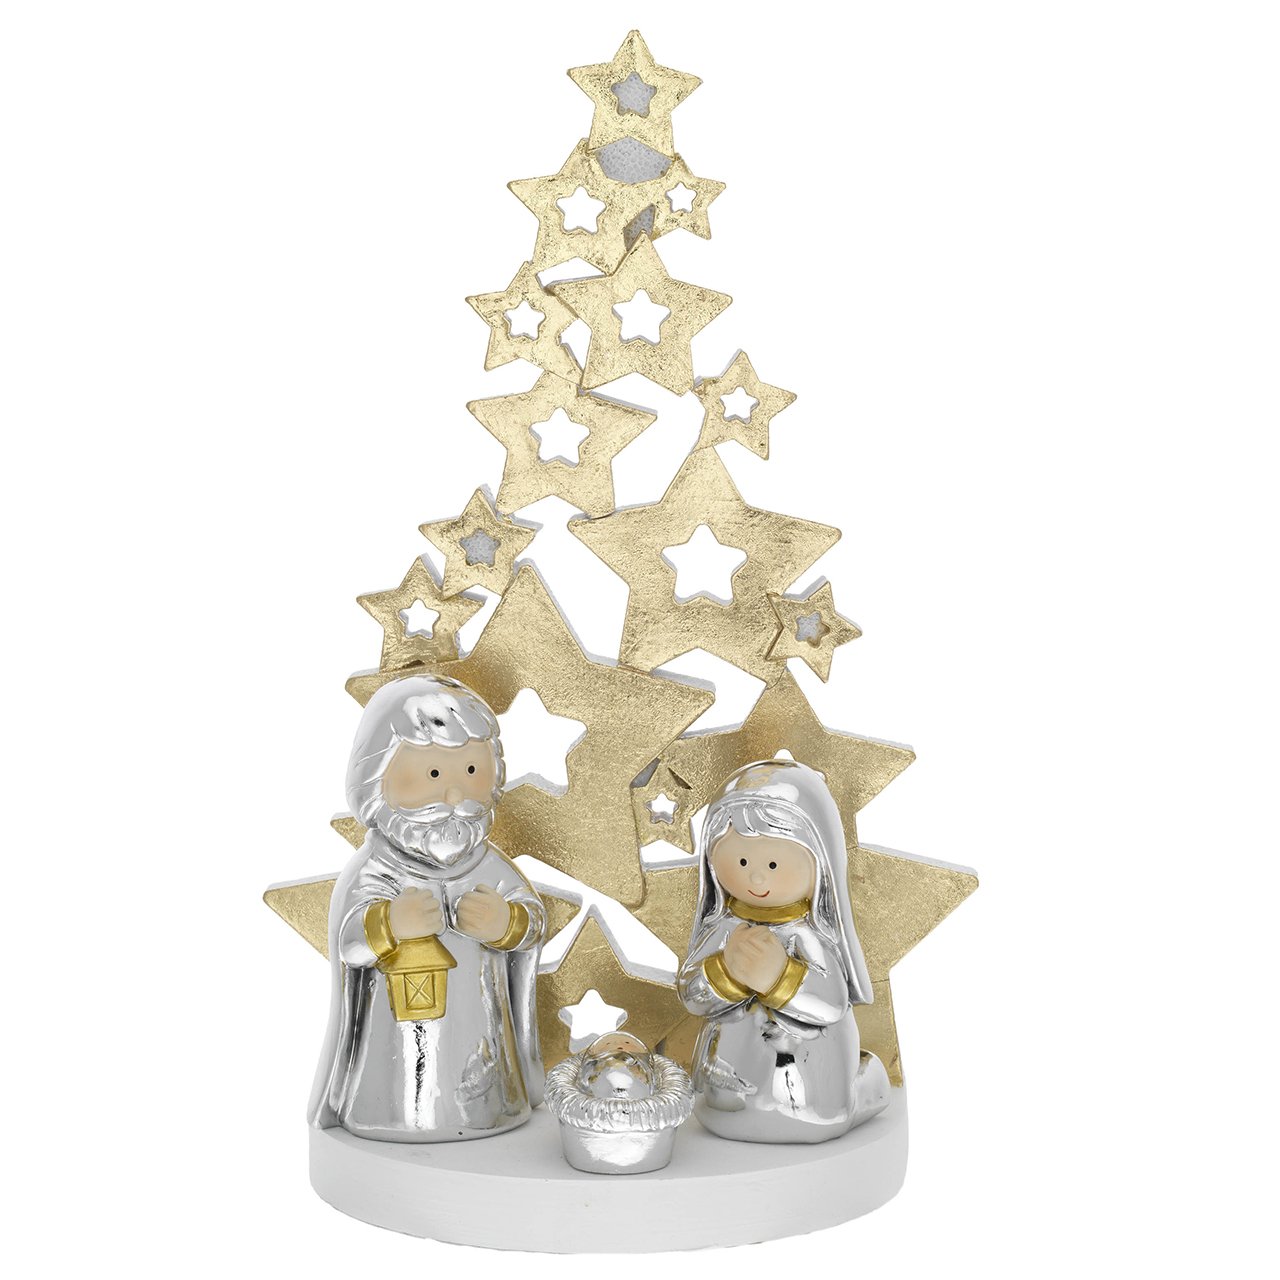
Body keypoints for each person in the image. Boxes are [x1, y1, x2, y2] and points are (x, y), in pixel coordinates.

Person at [309, 674, 546, 1142]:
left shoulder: (487, 866)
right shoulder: (375, 870)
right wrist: (390, 924)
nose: (455, 798)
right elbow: (350, 945)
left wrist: (506, 923)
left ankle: (488, 1110)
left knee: (481, 1067)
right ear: (377, 779)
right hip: (393, 1051)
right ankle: (395, 1114)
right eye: (434, 776)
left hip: (480, 1035)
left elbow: (533, 923)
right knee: (396, 1078)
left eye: (472, 772)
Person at [676, 759, 889, 1143]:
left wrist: (778, 977)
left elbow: (830, 1004)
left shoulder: (809, 936)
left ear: (819, 864)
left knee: (809, 1097)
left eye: (773, 863)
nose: (756, 876)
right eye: (742, 861)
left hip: (807, 1088)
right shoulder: (725, 930)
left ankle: (848, 1095)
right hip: (723, 1095)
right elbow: (691, 994)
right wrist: (724, 972)